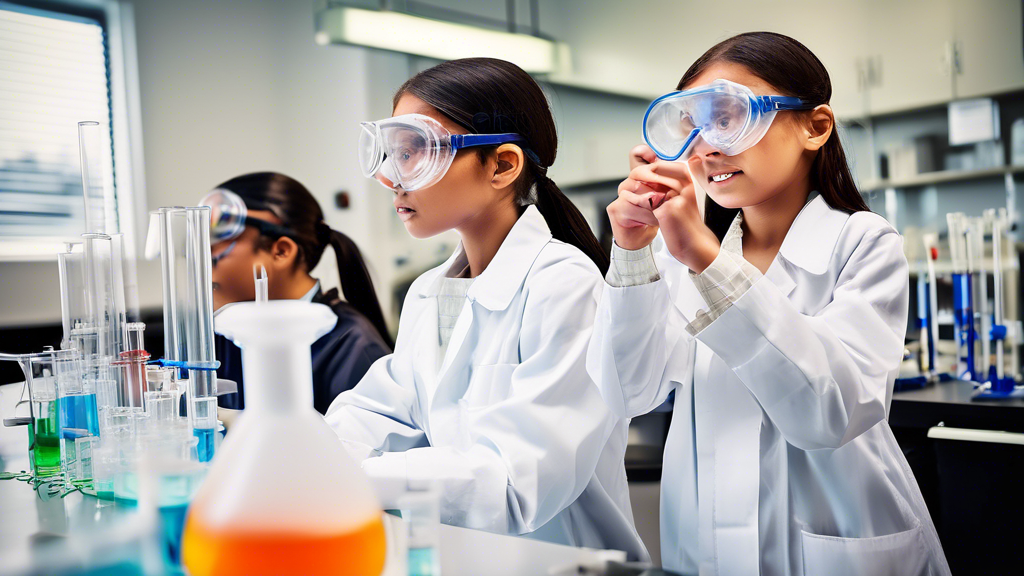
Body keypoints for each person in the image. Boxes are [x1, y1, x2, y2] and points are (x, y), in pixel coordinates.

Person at [588, 32, 950, 575]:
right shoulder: (681, 256)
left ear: (815, 126)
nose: (707, 146)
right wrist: (633, 253)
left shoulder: (862, 244)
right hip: (702, 547)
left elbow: (829, 415)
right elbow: (626, 392)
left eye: (729, 117)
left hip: (838, 546)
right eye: (693, 125)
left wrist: (708, 260)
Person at [324, 58, 648, 561]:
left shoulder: (565, 284)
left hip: (564, 561)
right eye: (392, 154)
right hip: (466, 557)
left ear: (501, 165)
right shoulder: (430, 291)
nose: (392, 179)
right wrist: (311, 457)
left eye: (416, 152)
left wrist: (350, 482)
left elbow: (518, 483)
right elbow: (378, 410)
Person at [206, 172, 392, 415]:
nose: (205, 259)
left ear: (281, 251)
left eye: (221, 238)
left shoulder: (352, 346)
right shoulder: (225, 336)